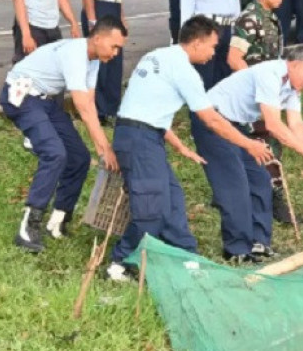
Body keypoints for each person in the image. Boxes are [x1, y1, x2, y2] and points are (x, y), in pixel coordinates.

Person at [105, 16, 273, 281]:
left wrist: (181, 146)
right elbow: (212, 119)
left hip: (140, 135)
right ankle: (120, 263)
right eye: (212, 46)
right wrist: (248, 143)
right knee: (152, 208)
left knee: (172, 198)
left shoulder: (157, 56)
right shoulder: (184, 71)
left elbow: (147, 109)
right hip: (140, 141)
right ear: (196, 43)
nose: (213, 53)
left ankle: (185, 255)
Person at [0, 16, 126, 253]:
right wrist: (105, 148)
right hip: (22, 95)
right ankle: (28, 226)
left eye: (119, 48)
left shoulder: (94, 59)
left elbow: (89, 101)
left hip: (45, 102)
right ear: (97, 38)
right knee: (55, 153)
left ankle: (58, 220)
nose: (116, 52)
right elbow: (83, 108)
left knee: (78, 157)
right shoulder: (76, 54)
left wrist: (101, 147)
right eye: (114, 46)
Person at [191, 50, 303, 263]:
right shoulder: (270, 74)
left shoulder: (293, 88)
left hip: (237, 126)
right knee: (234, 184)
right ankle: (236, 249)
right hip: (213, 121)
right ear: (292, 64)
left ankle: (258, 243)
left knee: (260, 180)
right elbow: (273, 124)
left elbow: (296, 123)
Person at [8, 0, 81, 151]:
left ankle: (51, 126)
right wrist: (26, 33)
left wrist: (72, 22)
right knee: (28, 80)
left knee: (55, 78)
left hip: (52, 27)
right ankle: (30, 131)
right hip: (32, 27)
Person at [227, 0, 292, 223]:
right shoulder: (250, 19)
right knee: (262, 145)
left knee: (270, 143)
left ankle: (268, 195)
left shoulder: (270, 18)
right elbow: (234, 58)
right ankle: (268, 198)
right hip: (254, 95)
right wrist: (255, 86)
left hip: (269, 93)